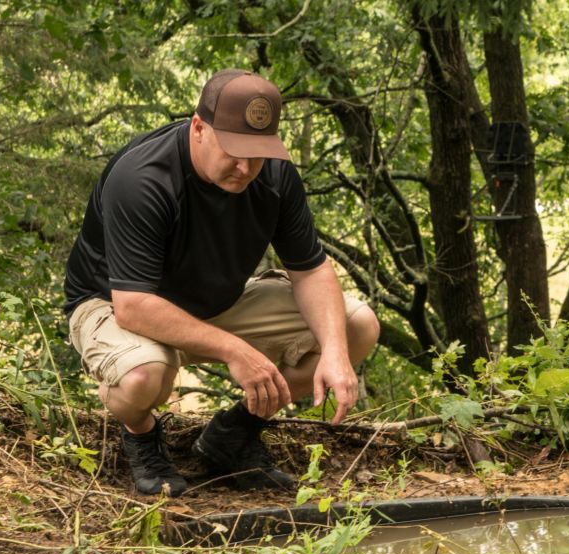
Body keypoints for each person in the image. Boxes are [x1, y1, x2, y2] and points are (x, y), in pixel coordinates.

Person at [63, 69, 380, 497]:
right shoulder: (143, 178)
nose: (246, 167)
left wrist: (338, 354)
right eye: (234, 151)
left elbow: (310, 269)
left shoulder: (275, 175)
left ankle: (233, 434)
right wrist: (235, 350)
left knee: (357, 326)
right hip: (117, 306)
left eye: (258, 153)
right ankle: (140, 434)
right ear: (198, 127)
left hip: (217, 303)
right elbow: (133, 305)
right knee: (143, 377)